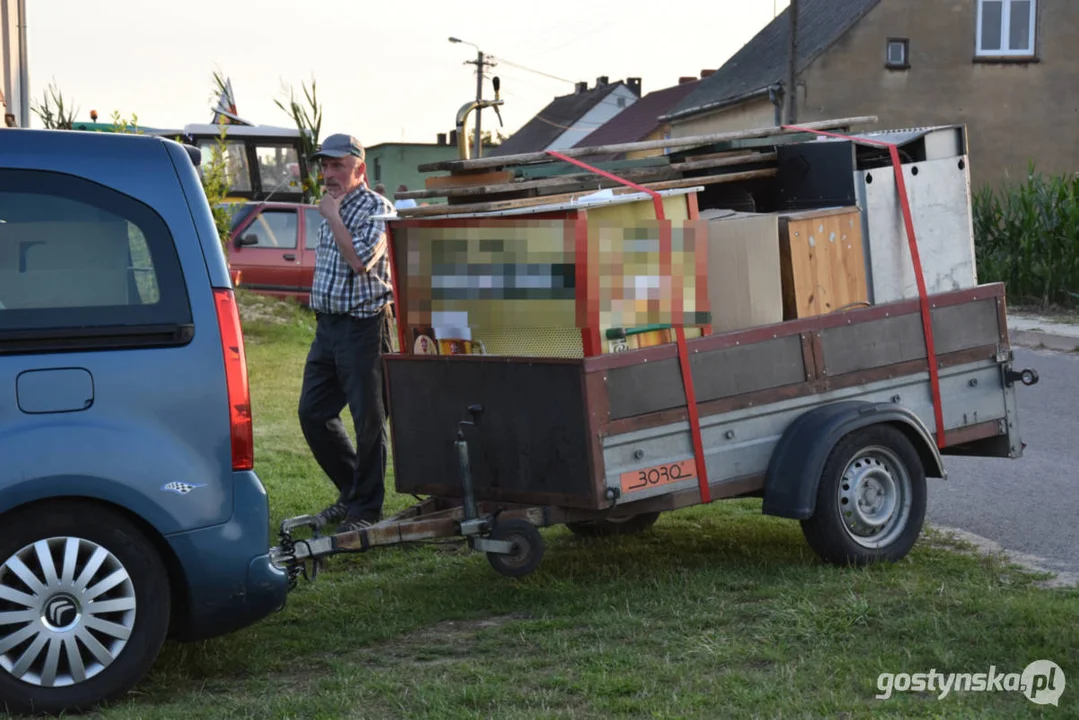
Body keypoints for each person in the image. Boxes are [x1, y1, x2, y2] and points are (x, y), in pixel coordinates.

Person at [299, 133, 395, 534]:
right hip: (328, 327)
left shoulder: (376, 208)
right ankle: (353, 490)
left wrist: (333, 216)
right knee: (313, 413)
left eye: (337, 165)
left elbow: (358, 262)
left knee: (368, 421)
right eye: (325, 165)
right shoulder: (331, 206)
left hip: (364, 326)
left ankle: (366, 511)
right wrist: (332, 213)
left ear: (359, 167)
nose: (329, 173)